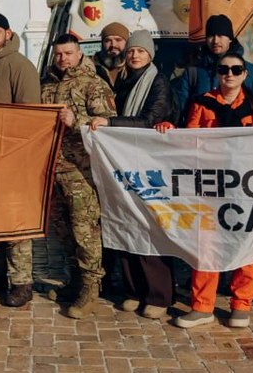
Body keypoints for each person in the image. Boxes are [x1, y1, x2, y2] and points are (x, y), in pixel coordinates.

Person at [159, 52, 253, 329]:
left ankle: (241, 305)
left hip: (246, 186)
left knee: (248, 245)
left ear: (245, 74)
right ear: (217, 74)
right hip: (209, 187)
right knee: (206, 245)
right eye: (223, 69)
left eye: (235, 69)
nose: (229, 74)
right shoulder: (201, 103)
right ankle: (202, 306)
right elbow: (190, 141)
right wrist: (170, 131)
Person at [88, 30, 176, 319]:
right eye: (131, 51)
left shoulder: (158, 82)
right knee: (127, 224)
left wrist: (110, 123)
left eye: (141, 51)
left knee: (151, 227)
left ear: (150, 54)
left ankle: (158, 294)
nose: (135, 55)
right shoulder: (126, 82)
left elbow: (150, 119)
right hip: (126, 164)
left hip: (150, 165)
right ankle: (134, 289)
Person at [40, 33, 116, 319]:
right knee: (62, 230)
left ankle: (91, 286)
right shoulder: (46, 85)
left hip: (81, 170)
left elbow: (106, 125)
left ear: (79, 54)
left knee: (85, 230)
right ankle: (74, 279)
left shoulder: (93, 84)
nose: (63, 59)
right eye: (59, 54)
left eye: (68, 53)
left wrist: (77, 121)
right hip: (53, 168)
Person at [0, 12, 42, 308]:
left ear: (8, 34)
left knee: (15, 222)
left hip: (14, 157)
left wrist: (18, 153)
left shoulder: (20, 66)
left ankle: (22, 281)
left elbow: (30, 114)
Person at [171, 14, 253, 115]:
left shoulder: (249, 71)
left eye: (220, 36)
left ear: (230, 39)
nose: (215, 41)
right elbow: (180, 111)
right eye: (211, 36)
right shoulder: (193, 73)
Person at [93, 22, 131, 91]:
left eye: (118, 40)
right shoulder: (91, 68)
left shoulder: (133, 68)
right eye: (108, 41)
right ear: (102, 44)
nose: (113, 45)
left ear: (127, 43)